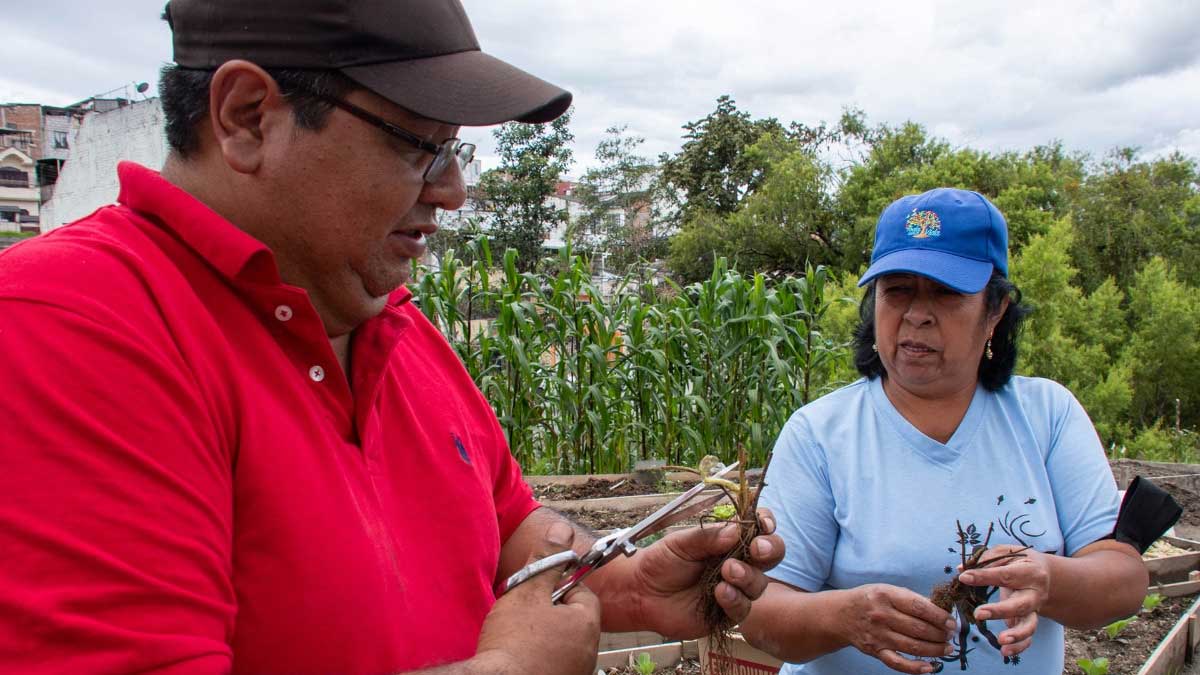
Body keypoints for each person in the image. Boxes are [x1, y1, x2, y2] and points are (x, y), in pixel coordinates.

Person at [0, 2, 784, 673]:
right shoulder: (70, 328)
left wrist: (626, 585)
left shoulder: (394, 327)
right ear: (246, 117)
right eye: (418, 144)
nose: (452, 189)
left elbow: (508, 528)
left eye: (454, 147)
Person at [738, 188, 1148, 674]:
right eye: (898, 290)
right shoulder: (821, 433)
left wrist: (1051, 580)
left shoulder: (1046, 416)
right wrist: (843, 618)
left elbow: (1122, 580)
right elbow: (761, 615)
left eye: (946, 292)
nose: (917, 313)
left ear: (995, 310)